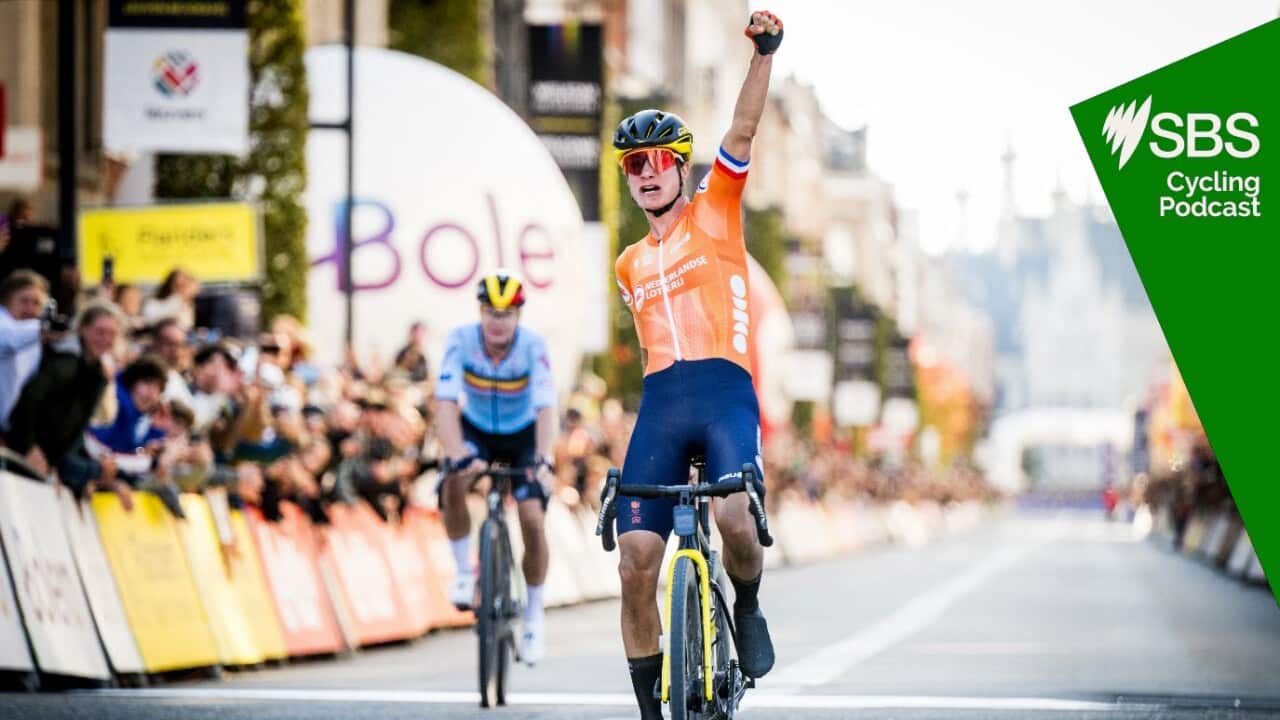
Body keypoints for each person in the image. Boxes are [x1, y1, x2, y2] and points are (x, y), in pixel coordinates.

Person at [608, 11, 782, 717]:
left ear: (680, 169)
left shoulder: (717, 211)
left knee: (737, 517)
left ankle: (746, 604)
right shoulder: (626, 264)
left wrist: (764, 54)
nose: (645, 174)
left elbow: (740, 132)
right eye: (632, 165)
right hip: (661, 405)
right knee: (634, 563)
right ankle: (654, 710)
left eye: (656, 162)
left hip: (724, 394)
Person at [434, 271, 557, 665]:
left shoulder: (534, 346)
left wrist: (543, 458)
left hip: (523, 436)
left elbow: (545, 409)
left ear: (518, 316)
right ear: (480, 312)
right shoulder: (460, 340)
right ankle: (464, 572)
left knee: (532, 519)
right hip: (478, 432)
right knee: (454, 476)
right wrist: (457, 454)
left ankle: (534, 615)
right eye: (490, 312)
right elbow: (446, 404)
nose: (497, 322)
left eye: (506, 314)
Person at [5, 301, 127, 502]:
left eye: (111, 333)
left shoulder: (97, 373)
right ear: (83, 329)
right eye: (99, 332)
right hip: (25, 454)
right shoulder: (65, 361)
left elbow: (76, 429)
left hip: (51, 462)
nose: (105, 339)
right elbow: (29, 399)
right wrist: (29, 446)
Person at [0, 271, 53, 434]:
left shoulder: (34, 331)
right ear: (7, 301)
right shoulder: (6, 325)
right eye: (24, 301)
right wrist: (47, 328)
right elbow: (10, 339)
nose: (30, 308)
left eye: (36, 303)